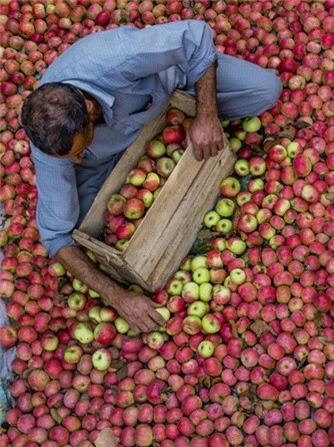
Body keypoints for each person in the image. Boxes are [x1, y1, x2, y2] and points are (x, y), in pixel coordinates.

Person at [20, 20, 282, 333]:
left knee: (266, 90)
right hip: (108, 160)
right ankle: (123, 162)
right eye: (70, 158)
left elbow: (196, 36)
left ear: (89, 109)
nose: (75, 160)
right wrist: (117, 297)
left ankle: (191, 110)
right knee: (89, 228)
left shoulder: (114, 59)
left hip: (170, 92)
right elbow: (55, 236)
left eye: (80, 150)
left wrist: (206, 116)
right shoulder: (53, 146)